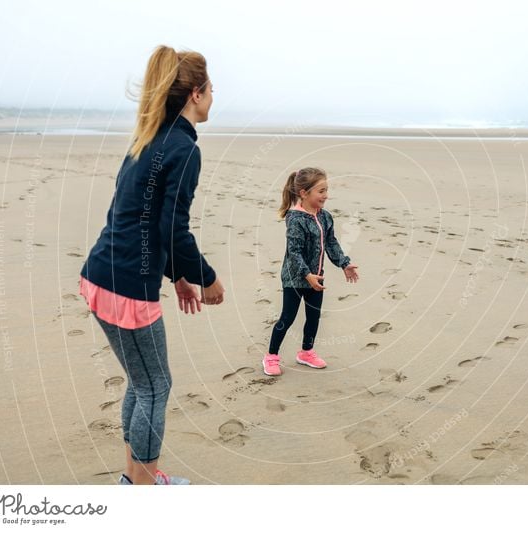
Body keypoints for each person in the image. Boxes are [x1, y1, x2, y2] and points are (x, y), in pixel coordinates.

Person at [80, 45, 226, 484]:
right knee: (154, 386)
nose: (215, 96)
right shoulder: (181, 148)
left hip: (101, 274)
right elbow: (173, 230)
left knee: (141, 382)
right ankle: (142, 487)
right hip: (126, 287)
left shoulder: (149, 136)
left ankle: (136, 478)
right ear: (196, 95)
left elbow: (142, 221)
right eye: (212, 88)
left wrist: (177, 276)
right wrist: (207, 278)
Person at [262, 168, 359, 376]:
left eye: (326, 190)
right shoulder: (295, 218)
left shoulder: (325, 217)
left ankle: (306, 352)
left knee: (313, 317)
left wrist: (344, 263)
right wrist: (307, 275)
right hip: (295, 278)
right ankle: (271, 356)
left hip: (317, 276)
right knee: (287, 318)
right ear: (304, 193)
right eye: (321, 191)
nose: (326, 195)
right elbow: (294, 253)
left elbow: (331, 243)